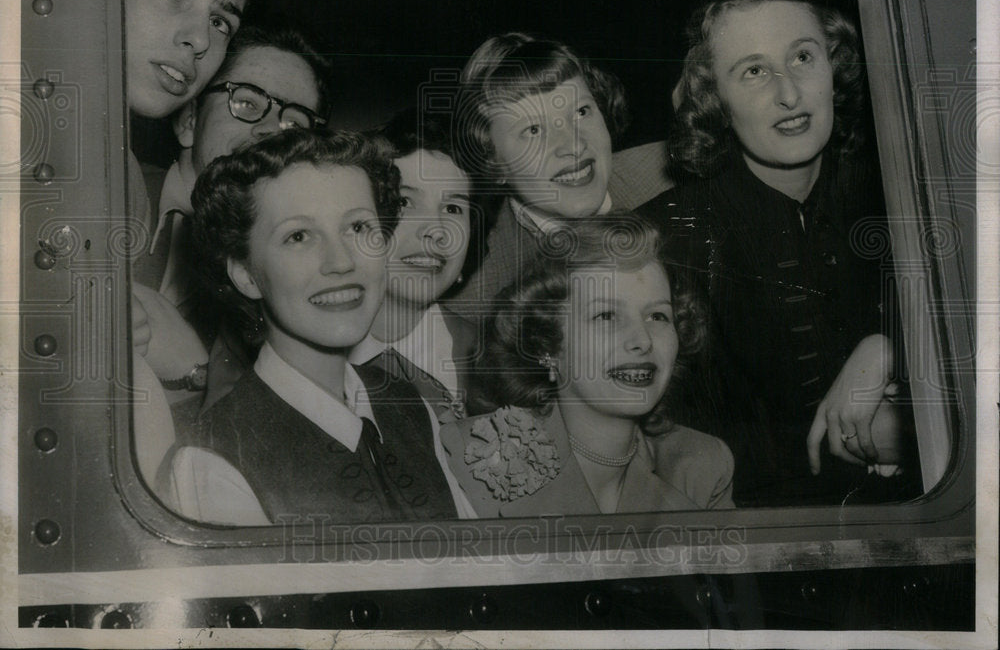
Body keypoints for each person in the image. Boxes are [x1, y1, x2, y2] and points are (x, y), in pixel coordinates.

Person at [637, 0, 914, 506]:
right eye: (754, 71)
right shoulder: (662, 238)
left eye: (803, 57)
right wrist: (893, 433)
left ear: (835, 66)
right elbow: (672, 450)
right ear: (713, 97)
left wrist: (894, 347)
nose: (789, 93)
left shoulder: (909, 194)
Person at [157, 129, 458, 526]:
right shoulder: (213, 462)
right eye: (298, 236)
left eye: (358, 228)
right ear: (245, 273)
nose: (341, 262)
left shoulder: (410, 404)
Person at [439, 215, 734, 516]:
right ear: (546, 345)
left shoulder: (701, 466)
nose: (642, 341)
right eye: (606, 316)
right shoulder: (475, 452)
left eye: (658, 316)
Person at [132, 25, 329, 391]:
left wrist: (198, 373)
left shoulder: (298, 276)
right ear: (189, 120)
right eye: (247, 102)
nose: (270, 132)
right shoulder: (107, 193)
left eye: (294, 124)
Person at [443, 33, 672, 317]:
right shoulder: (476, 300)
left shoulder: (677, 177)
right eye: (533, 130)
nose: (574, 145)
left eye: (581, 112)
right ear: (492, 161)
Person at [348, 106, 498, 517]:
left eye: (453, 208)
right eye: (404, 202)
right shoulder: (301, 356)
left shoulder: (499, 360)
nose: (435, 230)